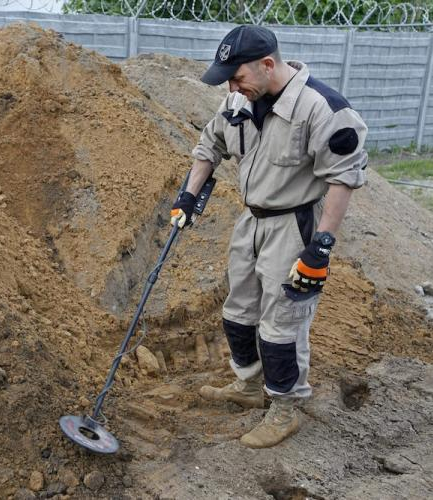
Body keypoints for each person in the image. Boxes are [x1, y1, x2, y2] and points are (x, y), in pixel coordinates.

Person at [170, 25, 367, 448]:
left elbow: (343, 179)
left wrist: (321, 248)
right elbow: (209, 148)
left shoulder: (322, 109)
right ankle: (248, 384)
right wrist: (187, 198)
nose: (230, 85)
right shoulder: (239, 101)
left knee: (283, 324)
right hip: (251, 221)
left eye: (236, 75)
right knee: (237, 311)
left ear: (267, 64)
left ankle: (284, 408)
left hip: (294, 226)